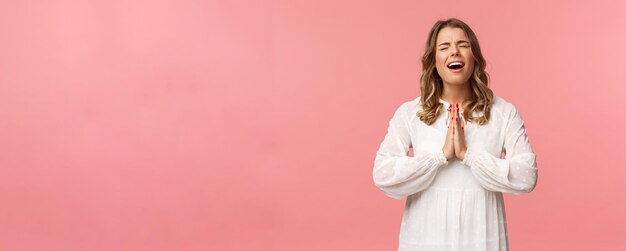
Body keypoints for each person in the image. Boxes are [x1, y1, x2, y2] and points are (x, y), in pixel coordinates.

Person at [372, 18, 538, 251]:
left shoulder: (502, 112)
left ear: (474, 56)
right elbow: (383, 173)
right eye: (444, 47)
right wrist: (439, 157)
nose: (454, 52)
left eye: (462, 45)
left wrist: (468, 155)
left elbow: (527, 176)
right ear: (434, 61)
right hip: (425, 238)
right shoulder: (410, 113)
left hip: (482, 237)